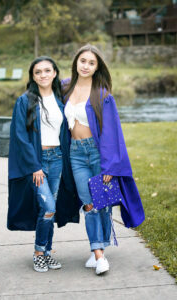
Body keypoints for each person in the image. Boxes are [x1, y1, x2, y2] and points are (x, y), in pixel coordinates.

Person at [63, 44, 145, 275]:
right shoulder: (65, 87)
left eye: (92, 62)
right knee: (88, 203)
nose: (86, 66)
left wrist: (110, 165)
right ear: (76, 62)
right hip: (76, 154)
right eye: (83, 61)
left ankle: (98, 252)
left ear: (97, 67)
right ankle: (98, 253)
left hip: (98, 155)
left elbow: (111, 131)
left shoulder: (102, 95)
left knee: (101, 204)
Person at [7, 56, 79, 273]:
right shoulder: (25, 101)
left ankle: (47, 253)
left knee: (51, 209)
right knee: (47, 208)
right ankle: (39, 253)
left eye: (47, 70)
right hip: (37, 163)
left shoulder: (60, 100)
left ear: (55, 73)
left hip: (56, 160)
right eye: (38, 72)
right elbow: (20, 136)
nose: (43, 75)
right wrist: (34, 166)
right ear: (33, 76)